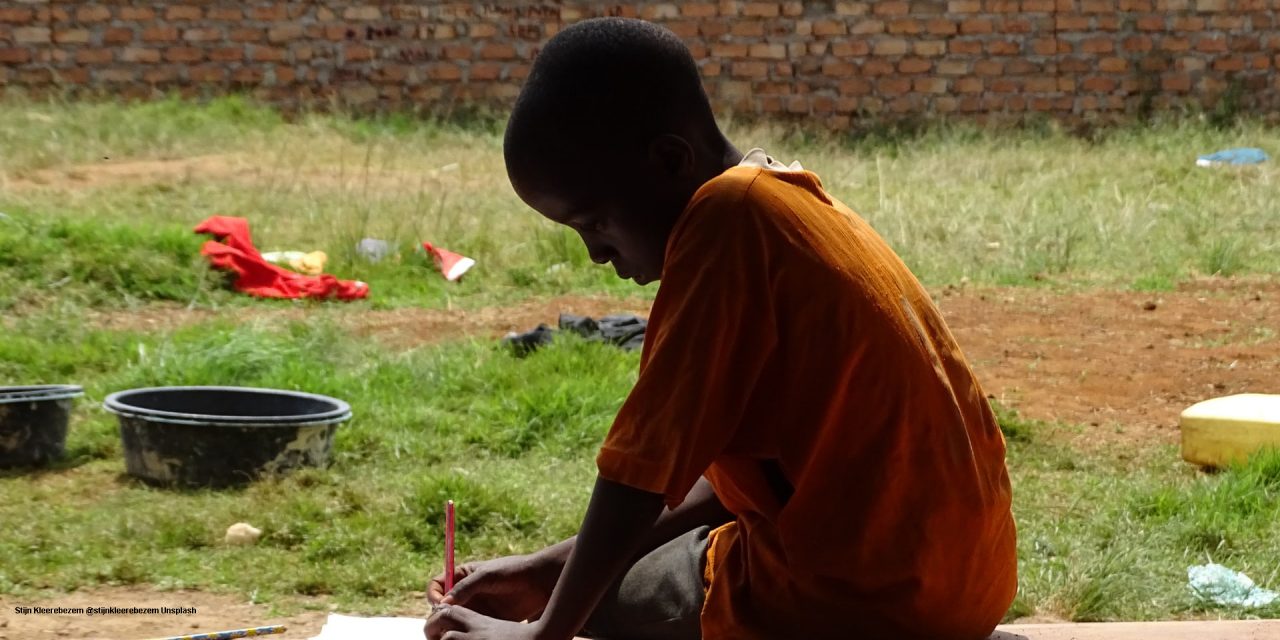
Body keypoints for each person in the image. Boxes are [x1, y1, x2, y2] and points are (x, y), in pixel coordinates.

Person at [426, 17, 1016, 640]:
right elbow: (749, 480)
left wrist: (542, 631)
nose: (596, 255)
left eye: (595, 222)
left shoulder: (723, 223)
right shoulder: (788, 203)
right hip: (962, 583)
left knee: (601, 602)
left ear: (670, 160)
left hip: (859, 603)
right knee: (595, 578)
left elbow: (639, 476)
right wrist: (543, 569)